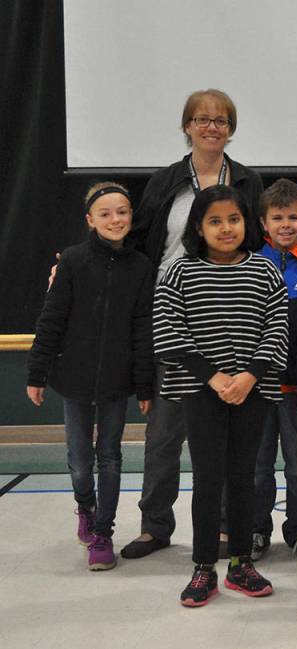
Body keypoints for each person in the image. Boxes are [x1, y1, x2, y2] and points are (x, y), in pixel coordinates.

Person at [122, 89, 264, 560]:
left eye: (221, 120)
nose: (211, 127)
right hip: (178, 315)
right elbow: (139, 240)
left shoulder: (246, 180)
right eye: (202, 119)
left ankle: (225, 528)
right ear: (187, 125)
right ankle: (155, 524)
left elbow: (257, 242)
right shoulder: (165, 181)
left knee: (226, 433)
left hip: (233, 315)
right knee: (165, 432)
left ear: (231, 128)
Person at [153, 185, 288, 607]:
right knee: (208, 479)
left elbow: (278, 330)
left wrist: (249, 376)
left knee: (243, 477)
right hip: (202, 392)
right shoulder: (180, 272)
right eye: (215, 220)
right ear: (198, 226)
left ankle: (241, 562)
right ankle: (203, 567)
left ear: (246, 223)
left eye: (233, 219)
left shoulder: (265, 272)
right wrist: (213, 377)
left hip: (252, 391)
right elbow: (167, 333)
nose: (226, 228)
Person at [26, 182, 154, 570]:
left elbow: (142, 330)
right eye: (105, 213)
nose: (115, 220)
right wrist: (37, 371)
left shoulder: (141, 267)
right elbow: (52, 319)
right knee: (81, 460)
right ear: (90, 220)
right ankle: (86, 505)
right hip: (74, 378)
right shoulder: (73, 261)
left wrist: (145, 384)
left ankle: (103, 533)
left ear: (131, 216)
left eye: (122, 212)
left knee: (110, 456)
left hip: (117, 381)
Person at [247, 179, 297, 563]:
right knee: (259, 467)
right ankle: (257, 530)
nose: (285, 224)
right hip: (258, 388)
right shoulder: (249, 263)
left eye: (293, 217)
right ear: (263, 222)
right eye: (277, 217)